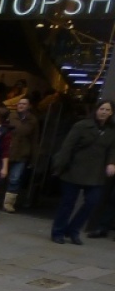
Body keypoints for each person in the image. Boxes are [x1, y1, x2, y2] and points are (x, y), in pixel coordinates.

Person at [49, 99, 115, 245]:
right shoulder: (81, 126)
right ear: (96, 110)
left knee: (92, 202)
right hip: (74, 170)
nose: (104, 112)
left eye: (107, 110)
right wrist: (59, 167)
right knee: (67, 203)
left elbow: (112, 149)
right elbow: (67, 146)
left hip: (95, 174)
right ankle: (58, 231)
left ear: (111, 113)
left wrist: (111, 163)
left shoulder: (111, 131)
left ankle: (73, 230)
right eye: (102, 109)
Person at [3, 95, 39, 213]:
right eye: (19, 103)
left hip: (22, 153)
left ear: (29, 106)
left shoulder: (33, 120)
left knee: (15, 178)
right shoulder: (10, 116)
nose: (21, 105)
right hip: (7, 151)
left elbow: (34, 140)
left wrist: (33, 158)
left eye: (24, 104)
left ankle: (9, 203)